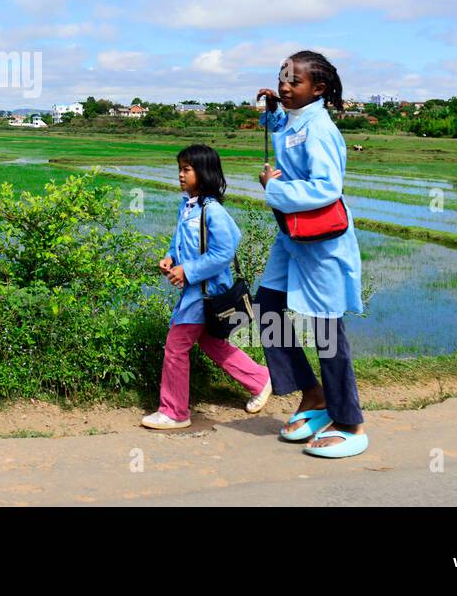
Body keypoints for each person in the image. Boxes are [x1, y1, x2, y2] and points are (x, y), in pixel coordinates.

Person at [255, 51, 369, 458]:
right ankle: (313, 394)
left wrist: (273, 187)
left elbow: (326, 188)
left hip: (320, 241)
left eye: (294, 81)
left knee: (326, 328)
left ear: (318, 89)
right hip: (292, 237)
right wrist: (272, 109)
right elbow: (283, 128)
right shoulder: (295, 117)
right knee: (269, 308)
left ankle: (349, 421)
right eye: (282, 78)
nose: (285, 86)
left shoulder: (319, 128)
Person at [141, 144, 272, 429]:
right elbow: (182, 242)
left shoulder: (212, 211)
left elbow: (225, 250)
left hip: (204, 293)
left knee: (176, 347)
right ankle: (260, 379)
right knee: (212, 342)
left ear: (204, 173)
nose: (180, 174)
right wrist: (170, 257)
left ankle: (174, 411)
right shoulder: (187, 206)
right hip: (195, 291)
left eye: (187, 169)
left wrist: (187, 271)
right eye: (180, 168)